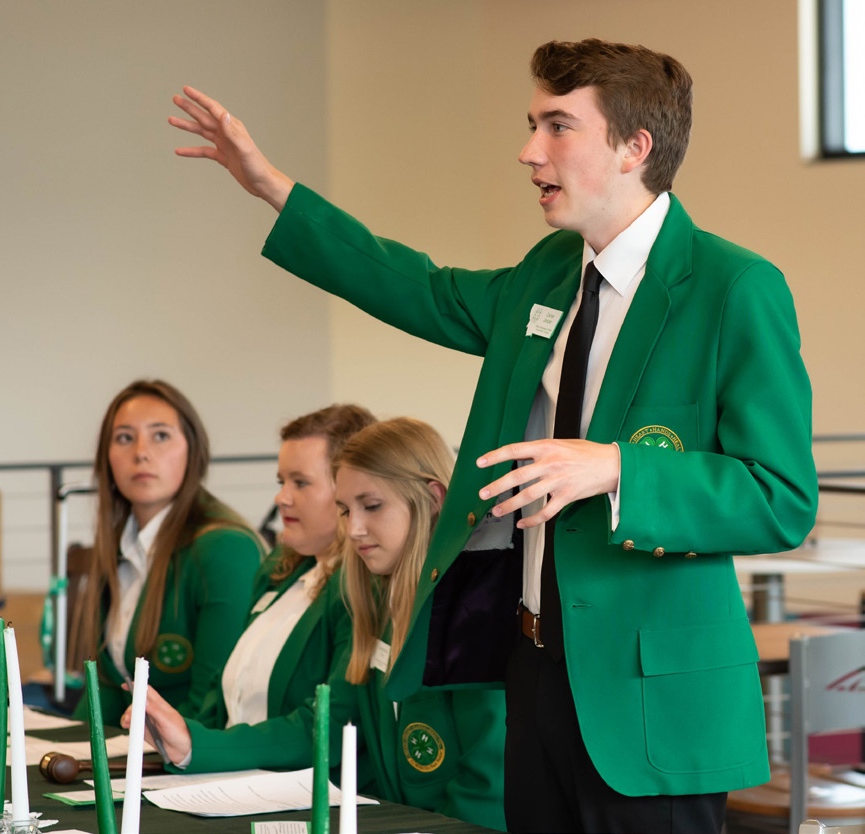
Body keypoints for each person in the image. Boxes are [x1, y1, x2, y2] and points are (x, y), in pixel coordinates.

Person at [167, 37, 817, 833]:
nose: (527, 151)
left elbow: (781, 499)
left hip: (650, 698)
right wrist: (273, 190)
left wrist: (615, 468)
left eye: (556, 127)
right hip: (529, 671)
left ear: (632, 148)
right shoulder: (549, 272)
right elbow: (422, 290)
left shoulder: (732, 288)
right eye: (531, 126)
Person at [123, 404, 376, 778]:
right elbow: (221, 695)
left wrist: (198, 745)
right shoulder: (280, 570)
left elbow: (328, 726)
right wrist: (172, 727)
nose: (281, 498)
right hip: (228, 785)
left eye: (300, 482)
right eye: (281, 482)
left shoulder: (358, 586)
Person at [336, 418, 506, 829]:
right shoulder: (381, 600)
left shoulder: (476, 609)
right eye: (344, 510)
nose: (353, 529)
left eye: (372, 506)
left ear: (433, 499)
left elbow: (488, 788)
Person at [75, 379, 264, 723]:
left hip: (188, 764)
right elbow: (106, 688)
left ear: (194, 449)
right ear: (107, 457)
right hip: (129, 756)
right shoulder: (119, 546)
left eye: (160, 435)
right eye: (124, 438)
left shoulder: (225, 548)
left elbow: (211, 709)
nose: (141, 452)